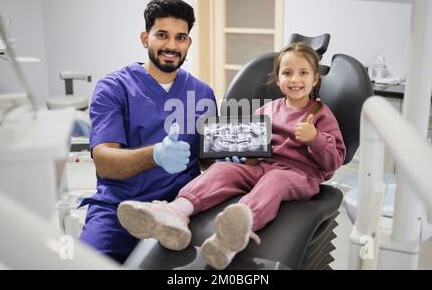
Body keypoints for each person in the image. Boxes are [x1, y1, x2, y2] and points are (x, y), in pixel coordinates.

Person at [117, 43, 346, 269]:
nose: (295, 79)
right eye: (287, 73)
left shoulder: (321, 115)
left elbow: (333, 162)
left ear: (315, 79)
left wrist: (315, 138)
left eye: (303, 73)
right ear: (278, 80)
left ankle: (239, 227)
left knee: (276, 179)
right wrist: (243, 155)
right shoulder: (267, 110)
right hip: (261, 167)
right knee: (222, 169)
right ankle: (176, 212)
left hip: (298, 175)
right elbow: (252, 145)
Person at [78, 0, 217, 263]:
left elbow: (206, 159)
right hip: (119, 207)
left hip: (178, 209)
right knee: (85, 262)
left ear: (188, 42)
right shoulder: (113, 88)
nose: (172, 46)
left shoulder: (202, 92)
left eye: (181, 38)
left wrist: (227, 156)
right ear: (145, 38)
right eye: (162, 35)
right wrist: (155, 155)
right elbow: (105, 162)